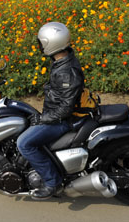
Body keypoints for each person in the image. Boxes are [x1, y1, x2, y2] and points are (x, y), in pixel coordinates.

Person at [17, 21, 85, 200]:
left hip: (61, 121)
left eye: (41, 42)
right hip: (55, 114)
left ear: (50, 43)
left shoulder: (66, 71)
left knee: (24, 143)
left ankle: (51, 182)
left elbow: (65, 109)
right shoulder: (62, 60)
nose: (39, 46)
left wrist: (43, 119)